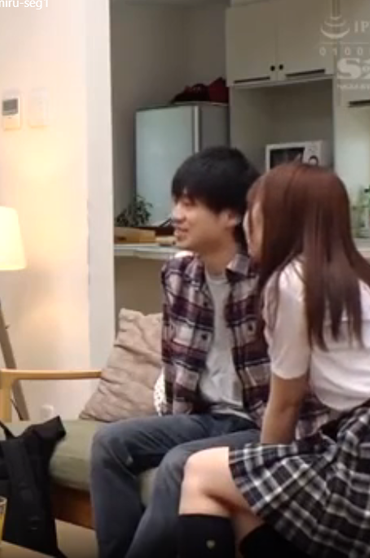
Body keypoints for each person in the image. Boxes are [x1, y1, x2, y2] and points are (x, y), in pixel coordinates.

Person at [176, 163, 370, 558]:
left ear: (280, 220)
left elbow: (285, 403)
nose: (247, 224)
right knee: (244, 501)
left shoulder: (290, 281)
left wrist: (264, 465)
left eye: (254, 212)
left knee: (201, 471)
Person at [89, 147, 331, 558]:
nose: (176, 215)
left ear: (231, 215)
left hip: (260, 424)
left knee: (180, 463)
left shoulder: (273, 280)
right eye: (176, 202)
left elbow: (294, 390)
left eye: (189, 204)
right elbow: (174, 359)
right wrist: (170, 421)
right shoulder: (177, 273)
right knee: (109, 443)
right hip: (204, 417)